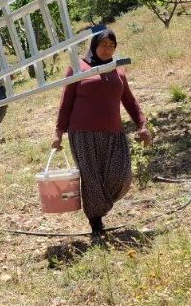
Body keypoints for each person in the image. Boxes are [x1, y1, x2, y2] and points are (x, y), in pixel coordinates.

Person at [51, 29, 152, 237]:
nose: (107, 49)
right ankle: (96, 223)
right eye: (103, 45)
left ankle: (99, 205)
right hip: (83, 133)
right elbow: (65, 103)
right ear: (94, 45)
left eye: (111, 46)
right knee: (91, 179)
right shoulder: (78, 68)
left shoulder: (117, 70)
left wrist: (142, 124)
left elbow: (130, 101)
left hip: (114, 132)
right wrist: (58, 132)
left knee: (121, 177)